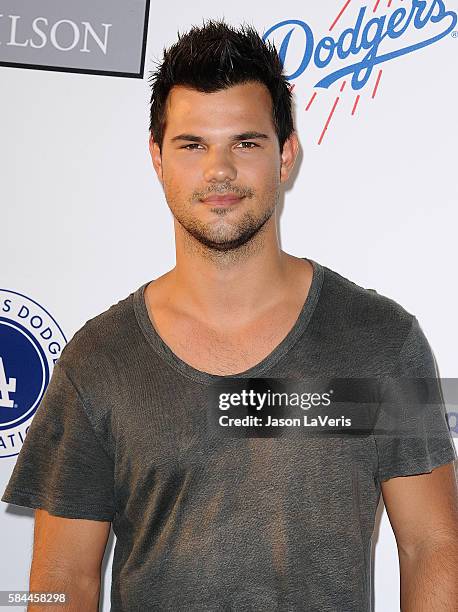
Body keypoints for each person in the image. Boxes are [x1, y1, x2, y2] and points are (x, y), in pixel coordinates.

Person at [2, 19, 457, 612]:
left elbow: (433, 547)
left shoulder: (383, 342)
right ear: (157, 158)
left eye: (246, 142)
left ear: (286, 155)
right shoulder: (98, 362)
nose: (219, 171)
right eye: (193, 145)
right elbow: (62, 579)